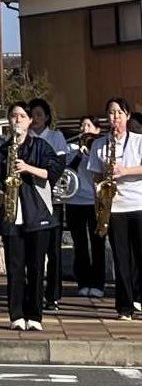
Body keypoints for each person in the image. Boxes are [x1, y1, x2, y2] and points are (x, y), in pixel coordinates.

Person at [0, 101, 64, 331]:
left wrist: (27, 168)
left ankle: (35, 316)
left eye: (22, 116)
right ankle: (16, 315)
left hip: (37, 212)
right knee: (14, 268)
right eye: (14, 116)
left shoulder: (41, 146)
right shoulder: (2, 150)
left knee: (35, 267)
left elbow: (53, 172)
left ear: (30, 120)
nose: (18, 120)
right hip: (12, 214)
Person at [86, 97, 142, 320]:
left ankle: (138, 297)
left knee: (140, 255)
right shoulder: (100, 144)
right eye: (111, 113)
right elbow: (95, 176)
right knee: (121, 258)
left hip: (138, 203)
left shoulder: (138, 140)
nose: (115, 117)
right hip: (114, 207)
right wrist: (99, 203)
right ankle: (125, 306)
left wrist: (125, 171)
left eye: (119, 113)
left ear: (127, 116)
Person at [29, 98, 70, 312]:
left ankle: (53, 294)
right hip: (28, 199)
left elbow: (59, 165)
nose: (35, 119)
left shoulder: (56, 137)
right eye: (32, 114)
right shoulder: (23, 138)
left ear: (46, 117)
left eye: (38, 114)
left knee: (53, 249)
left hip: (52, 198)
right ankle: (32, 292)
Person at [64, 116, 106, 301]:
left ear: (97, 129)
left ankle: (98, 283)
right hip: (75, 201)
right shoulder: (72, 148)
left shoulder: (102, 148)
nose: (84, 128)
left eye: (88, 125)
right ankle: (83, 282)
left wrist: (90, 153)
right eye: (82, 125)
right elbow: (68, 170)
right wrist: (80, 154)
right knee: (79, 243)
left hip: (95, 201)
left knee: (97, 243)